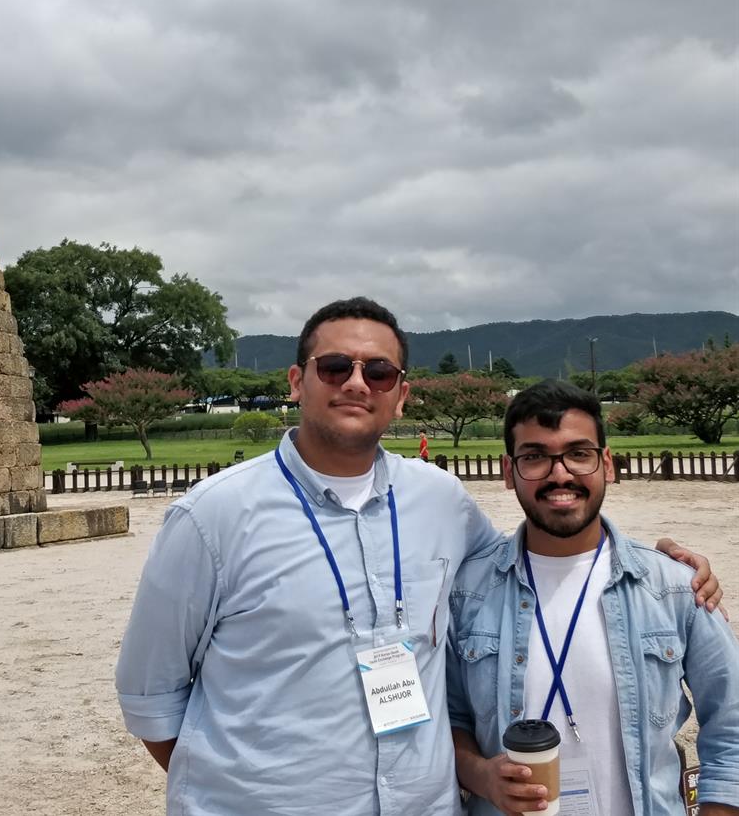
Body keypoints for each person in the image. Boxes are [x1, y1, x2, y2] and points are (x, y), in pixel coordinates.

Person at [116, 299, 722, 816]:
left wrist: (661, 566)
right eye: (335, 367)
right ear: (297, 381)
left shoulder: (439, 499)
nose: (357, 382)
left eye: (378, 372)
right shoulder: (212, 517)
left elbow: (534, 553)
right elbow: (152, 698)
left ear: (401, 396)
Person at [446, 380, 739, 815]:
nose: (559, 473)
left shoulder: (675, 587)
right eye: (535, 457)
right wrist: (480, 774)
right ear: (509, 473)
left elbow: (730, 723)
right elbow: (448, 719)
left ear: (607, 464)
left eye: (578, 454)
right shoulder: (467, 593)